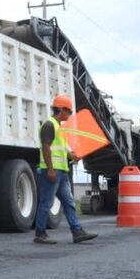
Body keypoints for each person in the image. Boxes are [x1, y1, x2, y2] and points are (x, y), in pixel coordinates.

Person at [33, 95, 97, 245]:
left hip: (62, 171)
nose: (69, 115)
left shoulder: (58, 127)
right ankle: (40, 233)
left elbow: (60, 148)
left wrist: (73, 155)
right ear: (61, 109)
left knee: (69, 202)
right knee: (46, 203)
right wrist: (50, 170)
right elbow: (46, 147)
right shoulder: (49, 125)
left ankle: (77, 232)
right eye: (68, 112)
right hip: (52, 171)